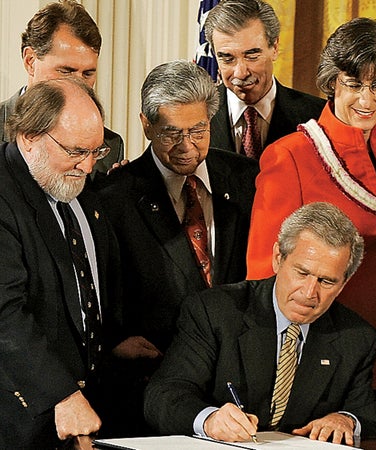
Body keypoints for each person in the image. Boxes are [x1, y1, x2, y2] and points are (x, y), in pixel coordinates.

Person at [245, 17, 376, 434]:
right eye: (354, 84)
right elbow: (263, 274)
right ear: (332, 82)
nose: (367, 99)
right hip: (324, 362)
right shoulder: (290, 155)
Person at [97, 60, 259, 436]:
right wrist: (114, 344)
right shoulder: (112, 197)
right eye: (171, 133)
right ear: (146, 124)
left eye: (198, 130)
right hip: (151, 389)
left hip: (236, 388)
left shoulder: (247, 178)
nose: (187, 146)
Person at [145, 202, 376, 445]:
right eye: (302, 273)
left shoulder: (358, 337)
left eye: (326, 281)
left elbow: (367, 416)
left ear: (344, 283)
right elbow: (164, 394)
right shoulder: (215, 311)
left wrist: (346, 420)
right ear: (278, 258)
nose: (310, 292)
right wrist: (209, 420)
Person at [0, 78, 120, 448]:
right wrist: (61, 395)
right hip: (20, 419)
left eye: (95, 151)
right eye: (75, 151)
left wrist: (114, 337)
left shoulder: (75, 186)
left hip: (84, 415)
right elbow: (5, 312)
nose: (86, 166)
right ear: (29, 137)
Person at [0, 0, 123, 178]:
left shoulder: (110, 146)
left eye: (88, 74)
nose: (79, 85)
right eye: (66, 71)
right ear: (30, 61)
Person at [203, 0, 325, 158]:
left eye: (252, 56)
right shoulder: (196, 117)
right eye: (227, 58)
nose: (240, 73)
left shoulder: (318, 117)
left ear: (274, 48)